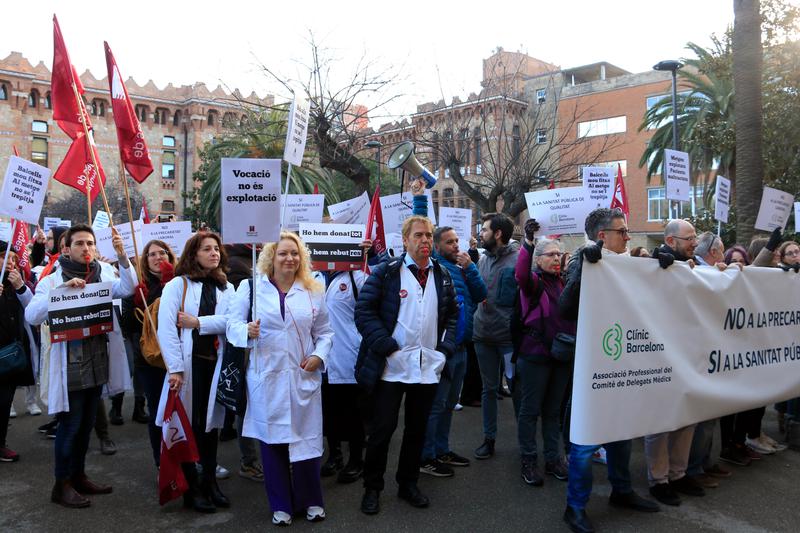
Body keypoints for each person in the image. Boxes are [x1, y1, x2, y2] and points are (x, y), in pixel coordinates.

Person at [559, 208, 659, 533]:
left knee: (622, 431)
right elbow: (566, 309)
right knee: (586, 442)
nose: (628, 237)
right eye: (623, 231)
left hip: (622, 362)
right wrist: (586, 270)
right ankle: (575, 508)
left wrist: (665, 265)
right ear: (603, 237)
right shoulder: (583, 261)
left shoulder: (627, 265)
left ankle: (622, 490)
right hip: (592, 368)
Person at [226, 231, 332, 525]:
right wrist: (246, 331)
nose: (290, 258)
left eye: (295, 253)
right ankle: (281, 505)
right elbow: (231, 325)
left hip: (302, 375)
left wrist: (319, 356)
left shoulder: (313, 290)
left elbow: (324, 333)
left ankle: (311, 501)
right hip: (267, 376)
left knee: (307, 442)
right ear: (271, 257)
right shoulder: (250, 288)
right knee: (272, 444)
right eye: (283, 253)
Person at [355, 215, 458, 515]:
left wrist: (445, 349)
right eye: (418, 235)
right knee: (382, 430)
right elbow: (364, 312)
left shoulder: (443, 274)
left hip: (427, 368)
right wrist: (386, 346)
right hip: (391, 367)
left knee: (417, 430)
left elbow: (453, 315)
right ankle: (372, 487)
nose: (425, 240)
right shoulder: (388, 273)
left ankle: (408, 483)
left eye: (428, 235)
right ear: (405, 240)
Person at [25, 224, 134, 508]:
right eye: (80, 244)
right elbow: (32, 315)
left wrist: (123, 259)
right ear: (66, 249)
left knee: (86, 426)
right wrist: (61, 292)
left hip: (98, 358)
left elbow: (128, 288)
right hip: (70, 364)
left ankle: (79, 475)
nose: (87, 249)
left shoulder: (104, 272)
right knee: (70, 427)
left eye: (90, 243)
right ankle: (61, 485)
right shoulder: (52, 279)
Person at [155, 231, 232, 513]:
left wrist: (198, 322)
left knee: (211, 426)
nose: (214, 253)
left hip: (216, 365)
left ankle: (210, 482)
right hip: (188, 367)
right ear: (193, 254)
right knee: (188, 426)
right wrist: (175, 368)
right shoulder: (178, 285)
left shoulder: (226, 287)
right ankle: (192, 488)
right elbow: (167, 327)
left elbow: (231, 321)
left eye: (216, 249)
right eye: (207, 249)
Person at [420, 225, 487, 477]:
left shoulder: (462, 268)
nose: (456, 245)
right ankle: (425, 456)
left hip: (461, 347)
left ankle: (441, 449)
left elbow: (480, 294)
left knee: (449, 404)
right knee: (436, 405)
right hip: (443, 349)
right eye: (449, 242)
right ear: (436, 247)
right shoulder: (434, 268)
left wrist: (471, 268)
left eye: (456, 241)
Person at [514, 221, 573, 486]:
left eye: (559, 255)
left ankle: (553, 459)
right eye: (550, 254)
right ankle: (528, 459)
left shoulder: (563, 283)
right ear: (538, 260)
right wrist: (528, 241)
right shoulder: (533, 283)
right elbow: (520, 274)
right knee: (529, 411)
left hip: (561, 357)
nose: (556, 259)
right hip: (535, 356)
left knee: (552, 411)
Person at [321, 240, 374, 484]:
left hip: (348, 356)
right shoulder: (312, 277)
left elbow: (373, 309)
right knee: (328, 412)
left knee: (354, 412)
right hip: (320, 359)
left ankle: (357, 460)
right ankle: (335, 456)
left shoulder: (358, 277)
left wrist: (369, 254)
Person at [120, 239, 177, 468]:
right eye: (151, 254)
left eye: (162, 252)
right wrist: (137, 303)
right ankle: (161, 462)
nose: (157, 257)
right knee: (158, 413)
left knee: (183, 411)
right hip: (150, 361)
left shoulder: (181, 283)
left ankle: (190, 461)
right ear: (145, 260)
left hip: (179, 360)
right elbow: (128, 327)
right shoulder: (138, 287)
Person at [472, 212, 519, 460]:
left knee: (517, 388)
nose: (481, 233)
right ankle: (489, 439)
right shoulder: (481, 260)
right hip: (482, 335)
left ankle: (526, 442)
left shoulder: (520, 258)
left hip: (508, 339)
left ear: (498, 234)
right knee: (488, 389)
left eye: (485, 229)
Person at [0, 243, 38, 462]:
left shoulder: (15, 282)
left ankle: (1, 443)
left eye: (14, 258)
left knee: (4, 401)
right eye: (6, 257)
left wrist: (21, 286)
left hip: (10, 355)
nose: (11, 262)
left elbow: (32, 310)